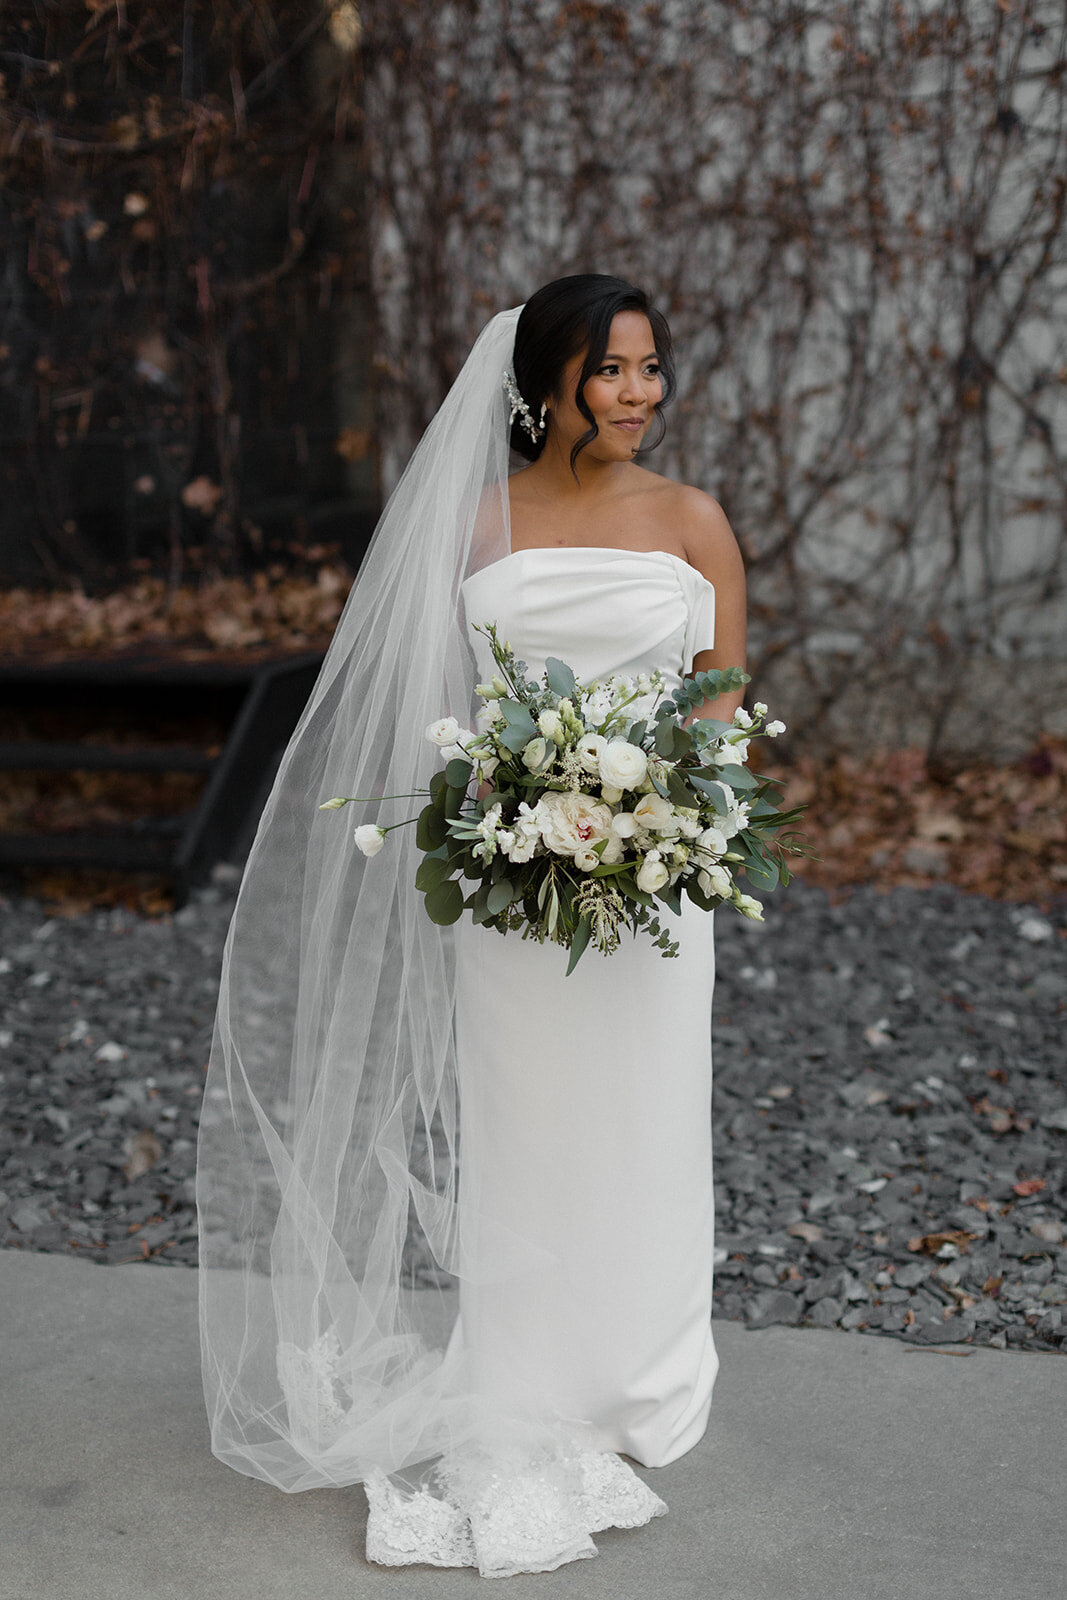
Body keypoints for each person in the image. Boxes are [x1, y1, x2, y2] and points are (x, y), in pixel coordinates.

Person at [196, 274, 747, 1578]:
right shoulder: (476, 525)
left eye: (652, 369)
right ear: (546, 379)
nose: (639, 394)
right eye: (612, 370)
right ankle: (527, 1371)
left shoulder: (694, 520)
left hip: (657, 886)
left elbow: (722, 709)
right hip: (509, 887)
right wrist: (518, 806)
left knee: (649, 1118)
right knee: (527, 1127)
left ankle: (647, 1381)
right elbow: (432, 711)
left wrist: (666, 823)